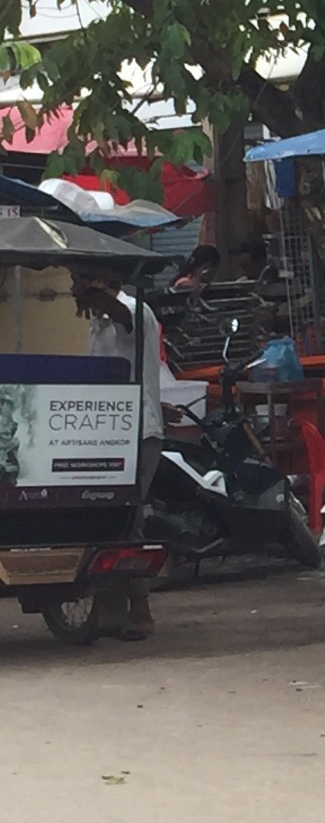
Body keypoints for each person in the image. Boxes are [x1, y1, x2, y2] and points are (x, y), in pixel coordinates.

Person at [72, 265, 167, 639]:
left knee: (130, 520)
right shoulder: (97, 321)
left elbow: (126, 318)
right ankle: (109, 606)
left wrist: (100, 298)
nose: (74, 292)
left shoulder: (133, 309)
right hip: (104, 433)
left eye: (78, 282)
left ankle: (141, 608)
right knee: (104, 519)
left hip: (139, 431)